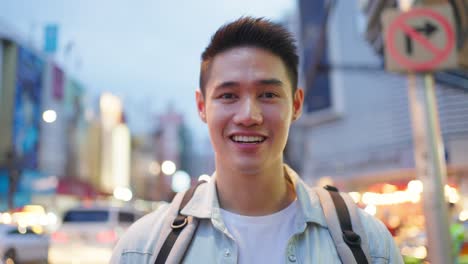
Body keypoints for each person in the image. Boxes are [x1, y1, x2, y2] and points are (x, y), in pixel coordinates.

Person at [111, 17, 403, 263]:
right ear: (202, 107)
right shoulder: (143, 248)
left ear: (297, 104)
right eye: (228, 96)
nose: (249, 115)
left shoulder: (367, 245)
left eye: (268, 95)